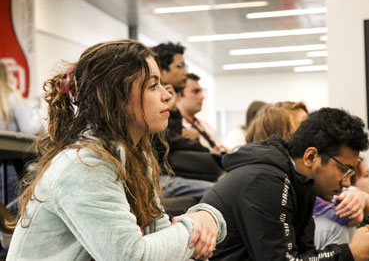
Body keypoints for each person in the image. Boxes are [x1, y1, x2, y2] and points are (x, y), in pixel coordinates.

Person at [6, 40, 226, 261]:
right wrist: (197, 225)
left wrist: (207, 218)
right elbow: (130, 256)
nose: (167, 96)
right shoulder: (84, 165)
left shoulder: (135, 157)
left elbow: (160, 237)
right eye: (152, 86)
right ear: (116, 98)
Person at [201, 107, 369, 261]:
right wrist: (349, 253)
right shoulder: (266, 181)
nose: (346, 183)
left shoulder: (300, 183)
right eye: (344, 170)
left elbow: (304, 253)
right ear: (311, 157)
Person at [151, 42, 223, 199]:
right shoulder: (151, 101)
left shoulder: (171, 105)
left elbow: (171, 142)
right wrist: (196, 144)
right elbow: (163, 142)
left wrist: (174, 113)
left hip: (171, 172)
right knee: (222, 192)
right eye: (180, 67)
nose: (186, 72)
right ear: (162, 72)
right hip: (160, 177)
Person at [178, 73, 225, 153]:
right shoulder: (178, 130)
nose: (202, 96)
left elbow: (221, 148)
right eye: (195, 92)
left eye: (201, 91)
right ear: (178, 95)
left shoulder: (204, 125)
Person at [0, 61, 43, 134]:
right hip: (8, 145)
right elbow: (28, 130)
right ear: (6, 76)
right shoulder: (11, 98)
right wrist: (37, 112)